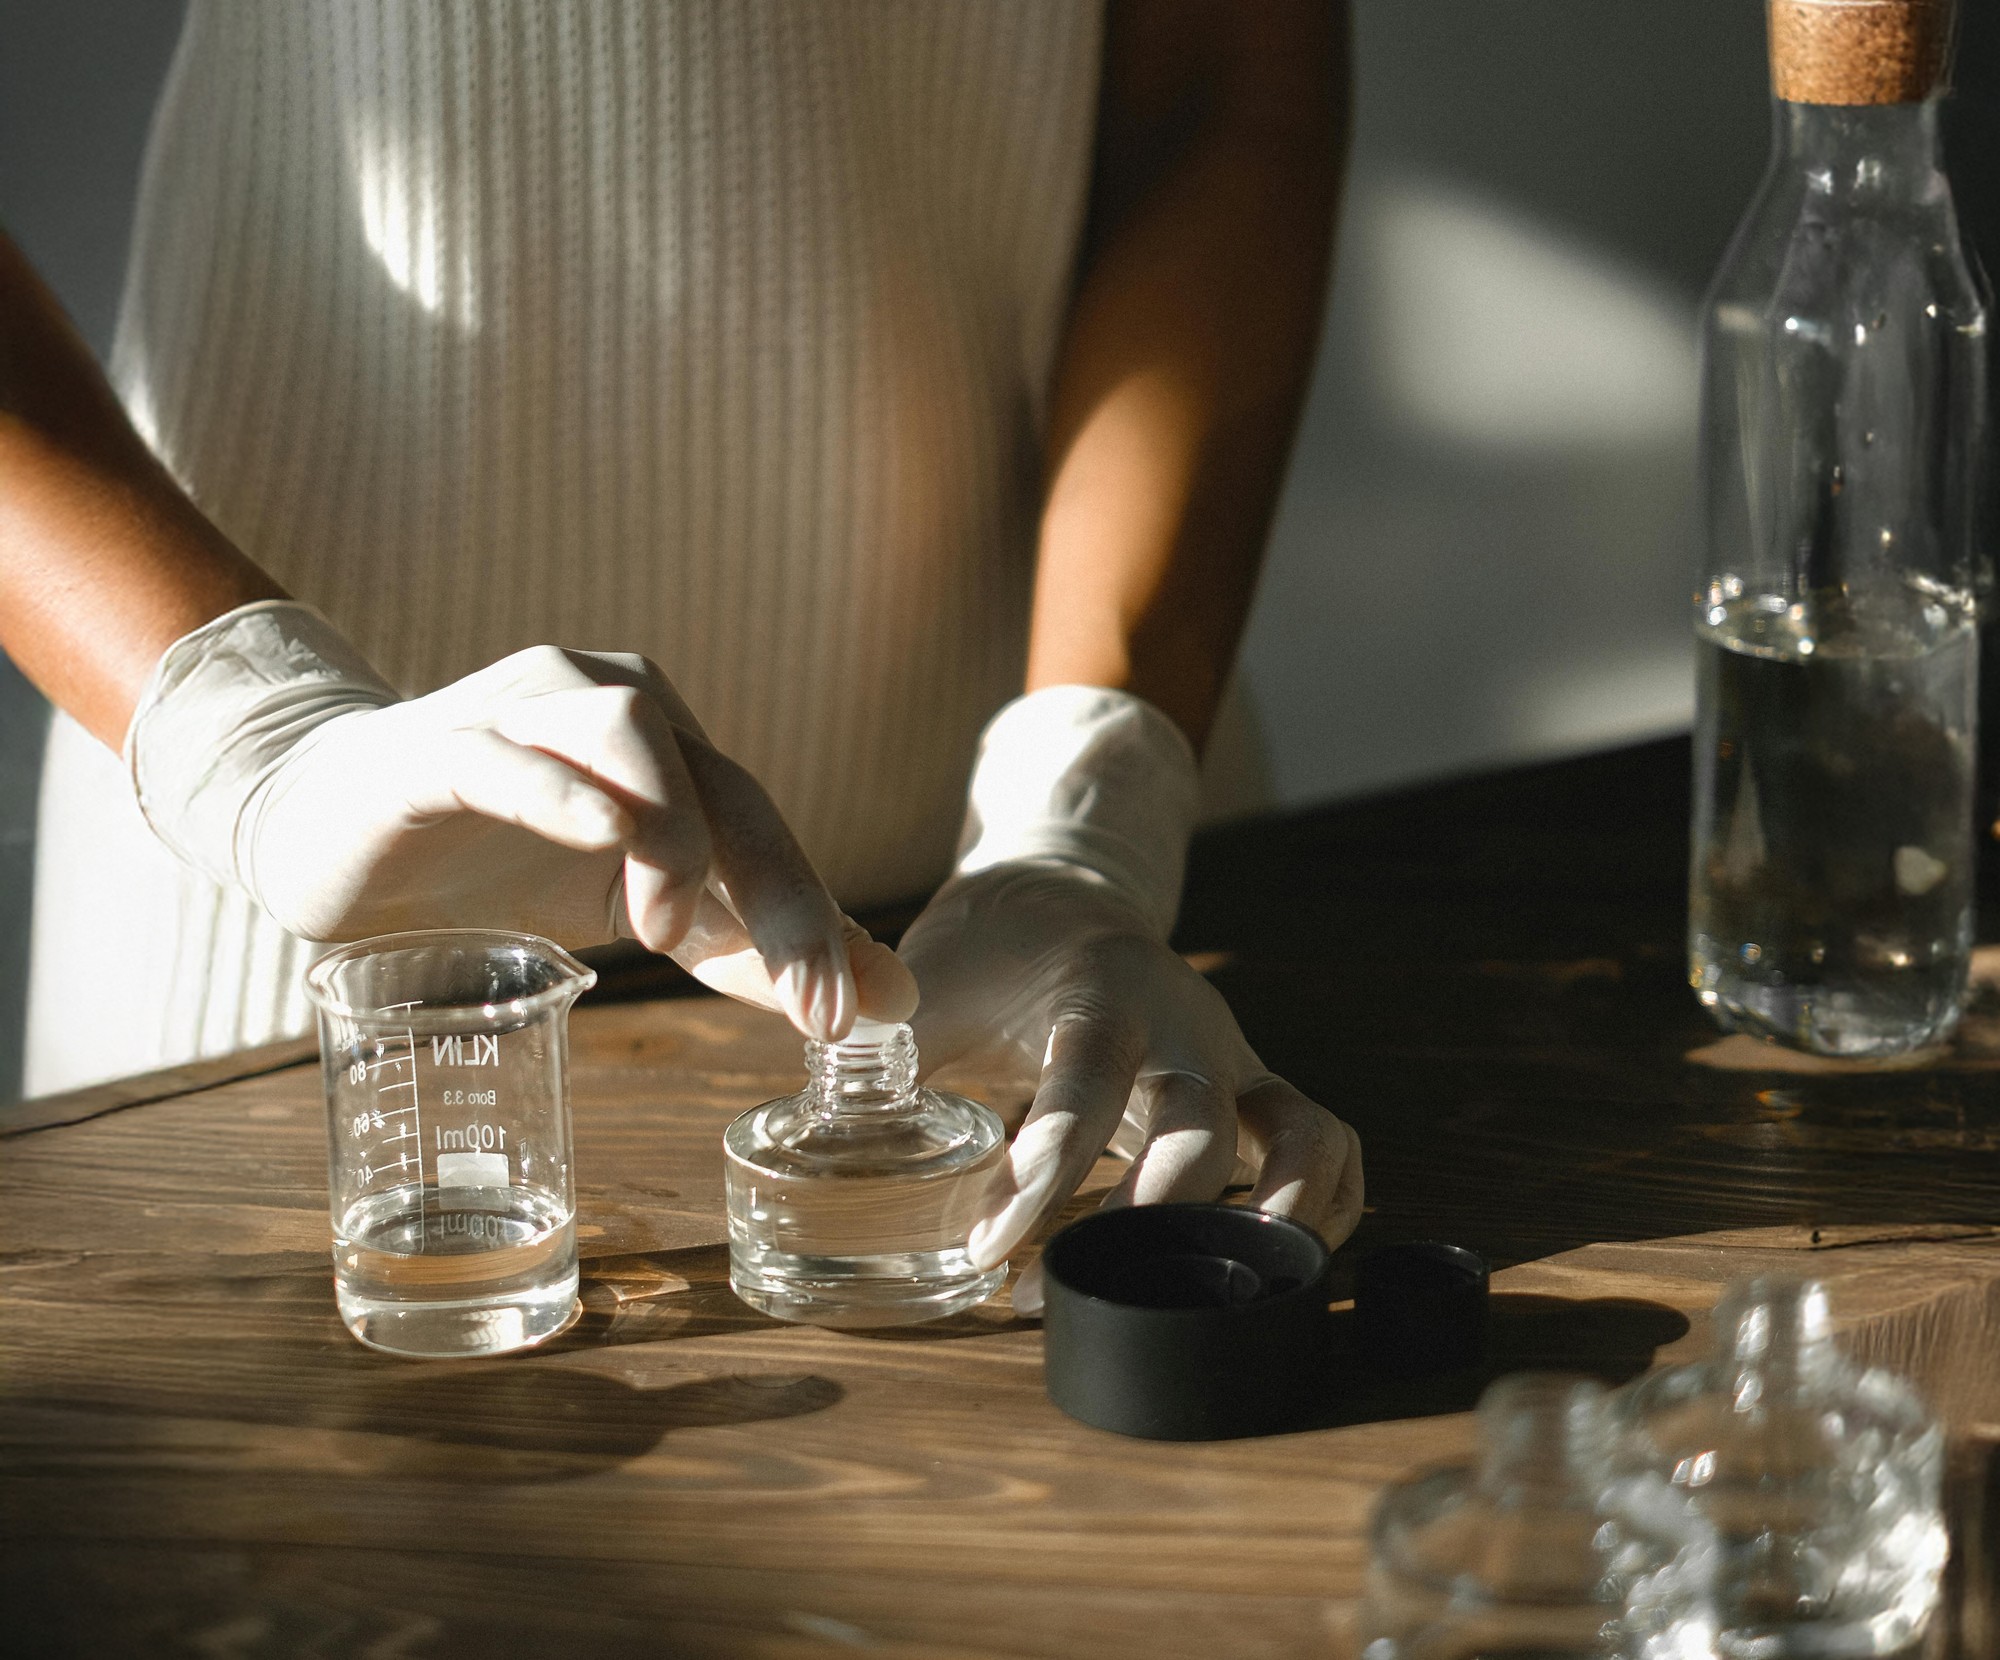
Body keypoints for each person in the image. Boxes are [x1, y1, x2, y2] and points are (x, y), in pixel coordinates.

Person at [0, 0, 1360, 1310]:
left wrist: (1086, 820)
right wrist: (251, 742)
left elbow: (1223, 85)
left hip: (1067, 905)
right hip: (278, 905)